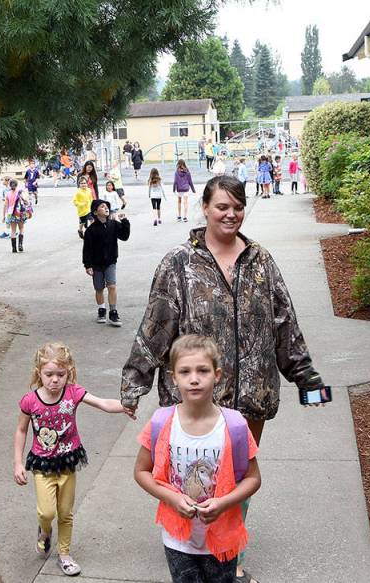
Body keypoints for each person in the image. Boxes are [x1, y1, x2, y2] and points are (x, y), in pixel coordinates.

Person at [120, 175, 328, 583]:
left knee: (235, 475)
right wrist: (134, 382)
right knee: (195, 475)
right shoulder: (179, 263)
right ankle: (190, 546)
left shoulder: (261, 260)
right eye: (222, 206)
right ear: (205, 208)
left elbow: (285, 323)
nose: (230, 214)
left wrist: (307, 379)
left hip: (253, 394)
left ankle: (229, 552)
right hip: (196, 399)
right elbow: (155, 326)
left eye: (237, 206)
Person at [134, 335, 262, 583]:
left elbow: (253, 478)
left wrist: (224, 503)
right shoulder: (162, 422)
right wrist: (171, 497)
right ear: (174, 377)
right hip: (177, 540)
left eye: (202, 370)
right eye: (185, 371)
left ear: (217, 374)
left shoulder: (234, 425)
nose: (194, 378)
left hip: (223, 536)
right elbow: (141, 471)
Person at [13, 342, 134, 577]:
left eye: (61, 374)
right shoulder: (30, 401)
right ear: (39, 372)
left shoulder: (73, 392)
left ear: (69, 372)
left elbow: (102, 403)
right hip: (43, 463)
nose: (55, 380)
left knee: (66, 512)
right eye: (49, 374)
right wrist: (17, 463)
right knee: (47, 512)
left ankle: (65, 554)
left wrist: (125, 406)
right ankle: (45, 530)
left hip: (68, 461)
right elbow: (21, 431)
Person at [83, 199, 130, 327]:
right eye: (102, 207)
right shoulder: (91, 230)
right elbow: (86, 250)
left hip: (110, 262)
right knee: (99, 289)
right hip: (96, 264)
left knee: (112, 286)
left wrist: (125, 221)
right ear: (95, 212)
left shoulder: (113, 225)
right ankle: (102, 309)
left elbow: (124, 236)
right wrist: (88, 265)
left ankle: (113, 312)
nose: (106, 208)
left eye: (106, 207)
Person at [4, 179, 30, 253]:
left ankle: (14, 248)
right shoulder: (20, 192)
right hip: (19, 213)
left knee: (13, 231)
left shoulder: (7, 193)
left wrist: (5, 215)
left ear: (10, 185)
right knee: (21, 228)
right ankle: (20, 245)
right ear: (17, 185)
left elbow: (6, 205)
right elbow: (26, 201)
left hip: (11, 213)